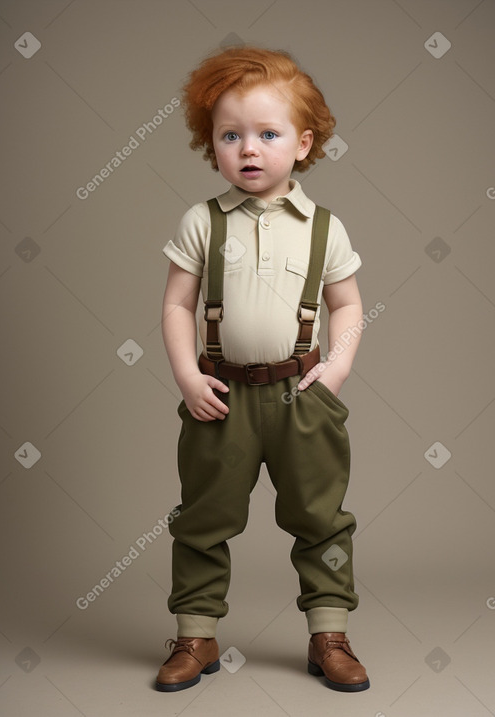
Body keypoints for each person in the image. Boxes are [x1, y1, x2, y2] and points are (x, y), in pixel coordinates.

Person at [155, 45, 370, 693]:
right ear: (211, 144)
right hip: (220, 394)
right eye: (231, 135)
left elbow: (350, 304)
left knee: (321, 516)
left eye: (267, 134)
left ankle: (328, 632)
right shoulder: (201, 222)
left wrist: (333, 373)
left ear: (303, 144)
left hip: (302, 396)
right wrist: (189, 379)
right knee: (202, 516)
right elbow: (176, 303)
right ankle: (195, 633)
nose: (248, 149)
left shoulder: (323, 227)